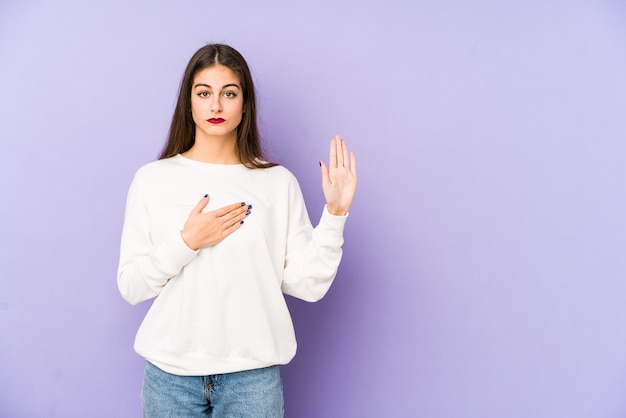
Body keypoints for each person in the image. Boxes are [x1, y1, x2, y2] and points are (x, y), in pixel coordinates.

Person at [117, 44, 357, 417]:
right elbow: (131, 286)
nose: (216, 106)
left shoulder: (277, 183)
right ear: (189, 103)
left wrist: (335, 214)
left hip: (252, 381)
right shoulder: (152, 180)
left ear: (244, 104)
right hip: (170, 379)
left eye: (228, 93)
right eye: (204, 93)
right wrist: (187, 242)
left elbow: (307, 284)